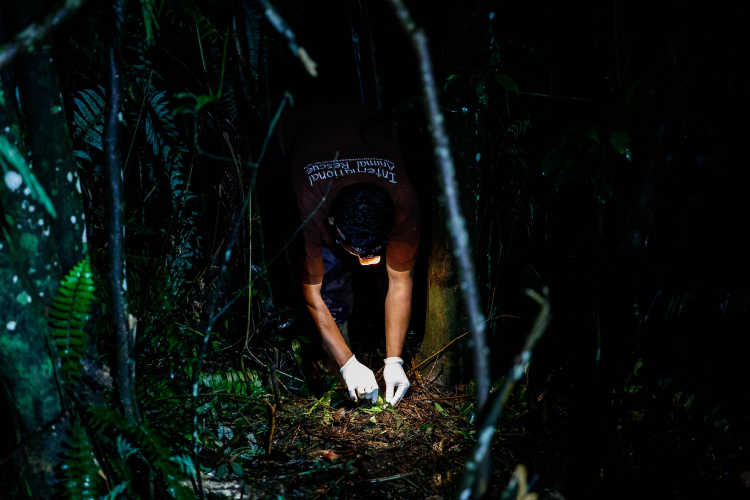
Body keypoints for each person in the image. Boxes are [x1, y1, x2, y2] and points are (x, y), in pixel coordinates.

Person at [278, 103, 419, 406]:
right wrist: (347, 364)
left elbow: (401, 280)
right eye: (355, 251)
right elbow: (310, 295)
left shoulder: (402, 202)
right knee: (328, 282)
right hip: (302, 123)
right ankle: (333, 373)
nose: (363, 259)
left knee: (386, 269)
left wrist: (394, 360)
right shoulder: (309, 205)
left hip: (364, 118)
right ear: (331, 225)